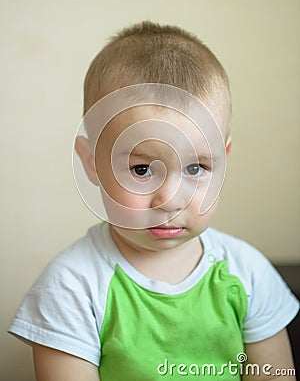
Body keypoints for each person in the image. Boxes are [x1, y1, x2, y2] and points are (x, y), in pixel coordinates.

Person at [9, 22, 299, 380]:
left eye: (196, 167)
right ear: (92, 162)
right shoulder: (71, 288)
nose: (170, 199)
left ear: (224, 158)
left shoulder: (249, 274)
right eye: (142, 169)